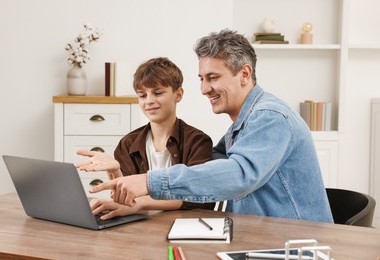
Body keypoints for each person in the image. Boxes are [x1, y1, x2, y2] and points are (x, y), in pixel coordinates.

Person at [90, 29, 334, 223]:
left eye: (213, 78)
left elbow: (239, 175)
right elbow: (210, 169)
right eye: (202, 79)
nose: (205, 89)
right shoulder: (241, 126)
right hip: (261, 236)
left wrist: (148, 181)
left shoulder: (269, 117)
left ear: (245, 74)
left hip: (296, 245)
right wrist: (122, 178)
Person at [76, 57, 215, 220]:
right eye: (142, 95)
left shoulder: (198, 141)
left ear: (178, 94)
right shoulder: (128, 143)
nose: (149, 101)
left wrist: (142, 203)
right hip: (140, 227)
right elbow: (125, 201)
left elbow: (201, 199)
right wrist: (114, 170)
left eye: (158, 93)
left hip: (183, 226)